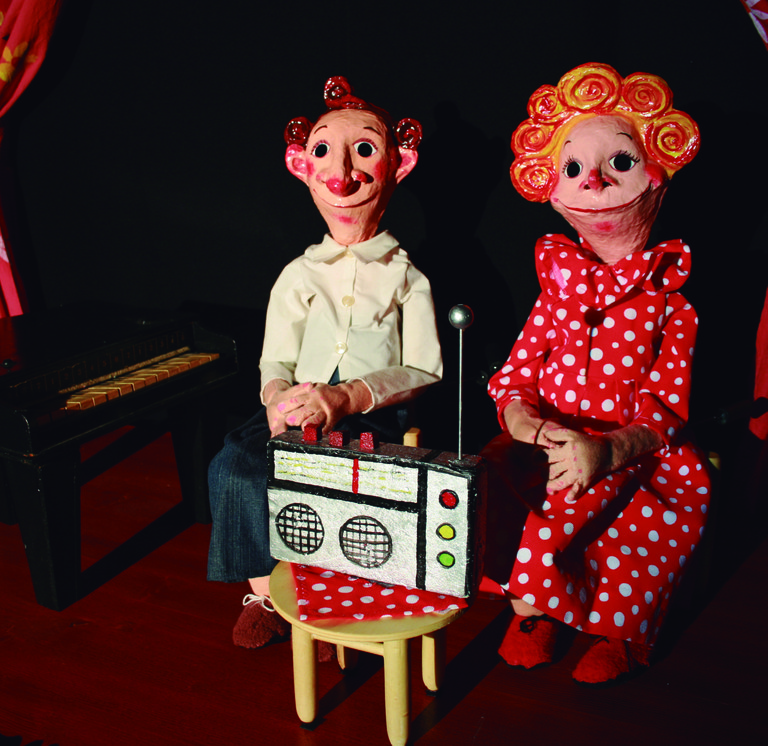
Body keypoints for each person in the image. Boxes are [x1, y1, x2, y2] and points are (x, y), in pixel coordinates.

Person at [482, 63, 711, 685]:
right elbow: (518, 372)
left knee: (621, 518)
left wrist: (609, 450)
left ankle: (618, 628)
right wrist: (522, 421)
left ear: (657, 175)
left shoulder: (671, 304)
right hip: (551, 440)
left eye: (621, 162)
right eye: (575, 168)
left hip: (633, 453)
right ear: (553, 189)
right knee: (501, 483)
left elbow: (667, 408)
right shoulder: (557, 288)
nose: (596, 181)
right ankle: (536, 611)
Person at [207, 77, 442, 649]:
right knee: (233, 466)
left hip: (370, 416)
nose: (342, 173)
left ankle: (340, 586)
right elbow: (275, 357)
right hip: (296, 410)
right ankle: (263, 592)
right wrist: (276, 398)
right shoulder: (299, 273)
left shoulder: (406, 277)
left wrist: (349, 396)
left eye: (363, 150)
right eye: (322, 152)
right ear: (302, 167)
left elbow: (425, 369)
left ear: (398, 165)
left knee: (339, 480)